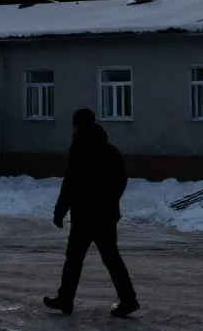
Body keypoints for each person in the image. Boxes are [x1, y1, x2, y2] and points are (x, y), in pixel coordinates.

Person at [42, 107, 139, 317]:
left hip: (84, 215)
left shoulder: (79, 148)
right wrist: (110, 202)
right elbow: (121, 179)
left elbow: (70, 182)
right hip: (105, 215)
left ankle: (65, 299)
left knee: (74, 259)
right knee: (111, 258)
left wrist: (60, 211)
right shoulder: (109, 149)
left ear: (77, 125)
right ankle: (128, 299)